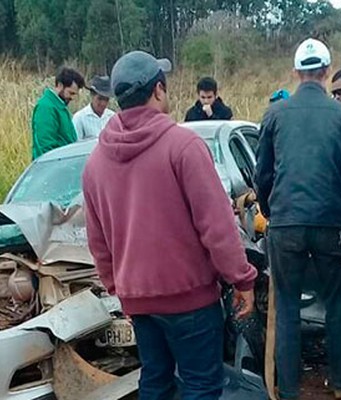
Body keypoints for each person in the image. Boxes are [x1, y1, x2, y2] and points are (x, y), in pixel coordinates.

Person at [82, 50, 257, 399]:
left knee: (155, 382)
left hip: (139, 302)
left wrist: (121, 291)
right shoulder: (183, 146)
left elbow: (98, 243)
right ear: (158, 90)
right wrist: (241, 278)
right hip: (190, 299)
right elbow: (217, 227)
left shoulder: (95, 164)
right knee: (201, 386)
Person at [255, 38, 341, 400]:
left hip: (286, 224)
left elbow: (263, 175)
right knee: (336, 303)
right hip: (331, 223)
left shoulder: (274, 114)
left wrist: (272, 214)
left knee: (286, 305)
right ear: (327, 73)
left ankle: (289, 389)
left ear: (296, 73)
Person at [31, 67, 85, 159]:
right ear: (60, 85)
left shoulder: (60, 106)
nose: (72, 98)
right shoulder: (46, 107)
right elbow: (45, 146)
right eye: (70, 93)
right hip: (50, 167)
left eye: (74, 94)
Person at [72, 75, 116, 140]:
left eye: (106, 99)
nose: (103, 103)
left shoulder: (112, 117)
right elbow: (75, 145)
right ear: (92, 95)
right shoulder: (79, 118)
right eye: (100, 99)